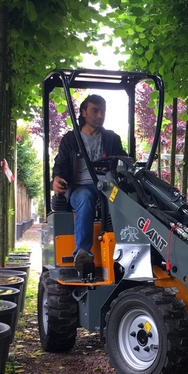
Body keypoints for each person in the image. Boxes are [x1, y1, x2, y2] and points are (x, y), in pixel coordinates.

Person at [51, 94, 125, 276]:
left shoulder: (111, 139)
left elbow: (123, 161)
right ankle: (82, 254)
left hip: (108, 188)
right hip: (80, 188)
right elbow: (60, 164)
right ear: (83, 112)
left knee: (128, 201)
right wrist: (57, 179)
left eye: (102, 111)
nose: (100, 115)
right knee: (85, 197)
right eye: (95, 110)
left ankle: (126, 252)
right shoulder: (70, 140)